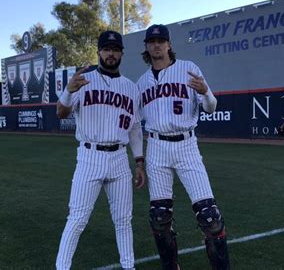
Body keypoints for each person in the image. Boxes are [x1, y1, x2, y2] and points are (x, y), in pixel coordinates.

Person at [136, 24, 230, 270]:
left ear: (169, 45)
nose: (157, 45)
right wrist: (138, 160)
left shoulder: (188, 69)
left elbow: (211, 107)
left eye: (161, 40)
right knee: (159, 217)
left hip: (186, 145)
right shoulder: (141, 83)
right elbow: (134, 122)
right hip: (156, 147)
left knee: (210, 217)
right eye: (152, 41)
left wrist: (206, 92)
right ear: (146, 46)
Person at [55, 30, 146, 270]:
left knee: (123, 220)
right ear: (98, 52)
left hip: (119, 158)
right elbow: (61, 113)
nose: (111, 53)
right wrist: (68, 90)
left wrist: (138, 162)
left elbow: (135, 129)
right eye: (106, 49)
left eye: (115, 49)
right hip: (89, 156)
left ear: (121, 54)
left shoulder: (131, 88)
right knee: (77, 220)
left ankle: (129, 267)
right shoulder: (83, 81)